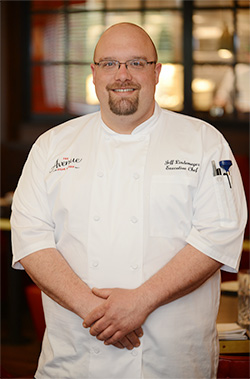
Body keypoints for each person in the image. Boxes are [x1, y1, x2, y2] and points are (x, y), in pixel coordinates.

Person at [11, 23, 247, 379]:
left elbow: (219, 235)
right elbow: (31, 239)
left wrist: (140, 301)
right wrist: (97, 310)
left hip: (172, 360)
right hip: (74, 359)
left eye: (136, 62)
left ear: (156, 73)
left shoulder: (204, 142)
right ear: (93, 74)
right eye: (109, 64)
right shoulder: (52, 146)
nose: (122, 75)